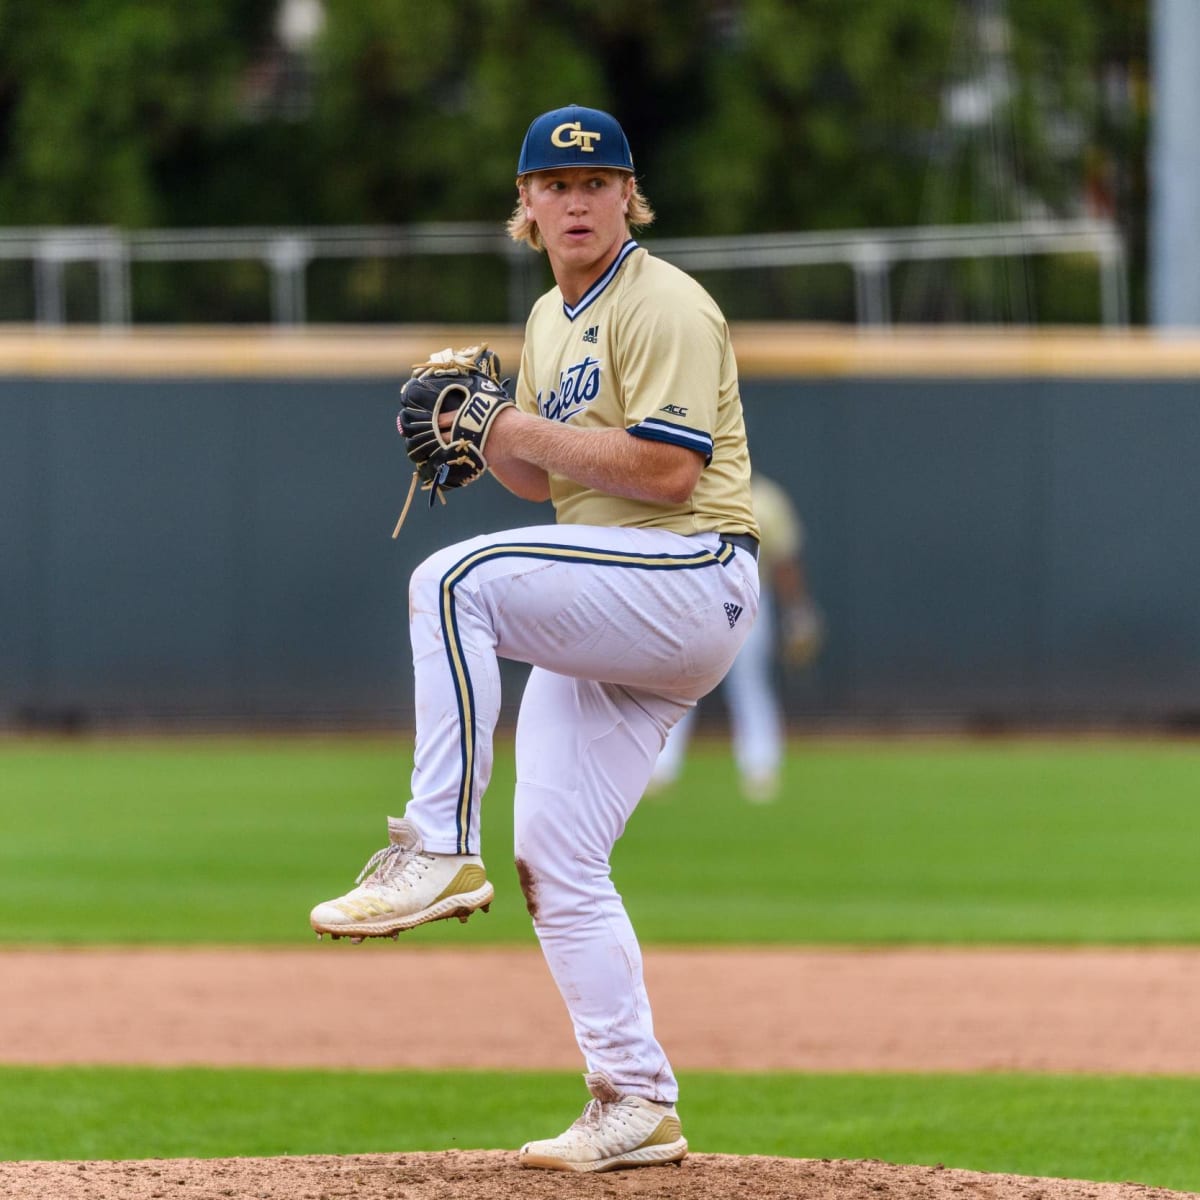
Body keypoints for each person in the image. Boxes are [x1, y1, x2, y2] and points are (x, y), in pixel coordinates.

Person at [309, 104, 760, 1173]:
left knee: (453, 576)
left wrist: (504, 422)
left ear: (628, 195)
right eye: (555, 186)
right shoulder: (550, 319)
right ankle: (636, 1102)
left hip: (691, 574)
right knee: (556, 859)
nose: (577, 199)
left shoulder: (667, 304)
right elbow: (549, 476)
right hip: (617, 604)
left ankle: (435, 843)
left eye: (597, 181)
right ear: (525, 204)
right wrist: (483, 439)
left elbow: (664, 473)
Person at [649, 473, 823, 802]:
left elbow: (784, 562)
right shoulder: (685, 491)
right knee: (680, 684)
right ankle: (660, 767)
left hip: (748, 601)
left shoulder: (764, 500)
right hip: (693, 601)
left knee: (749, 684)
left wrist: (798, 611)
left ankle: (761, 766)